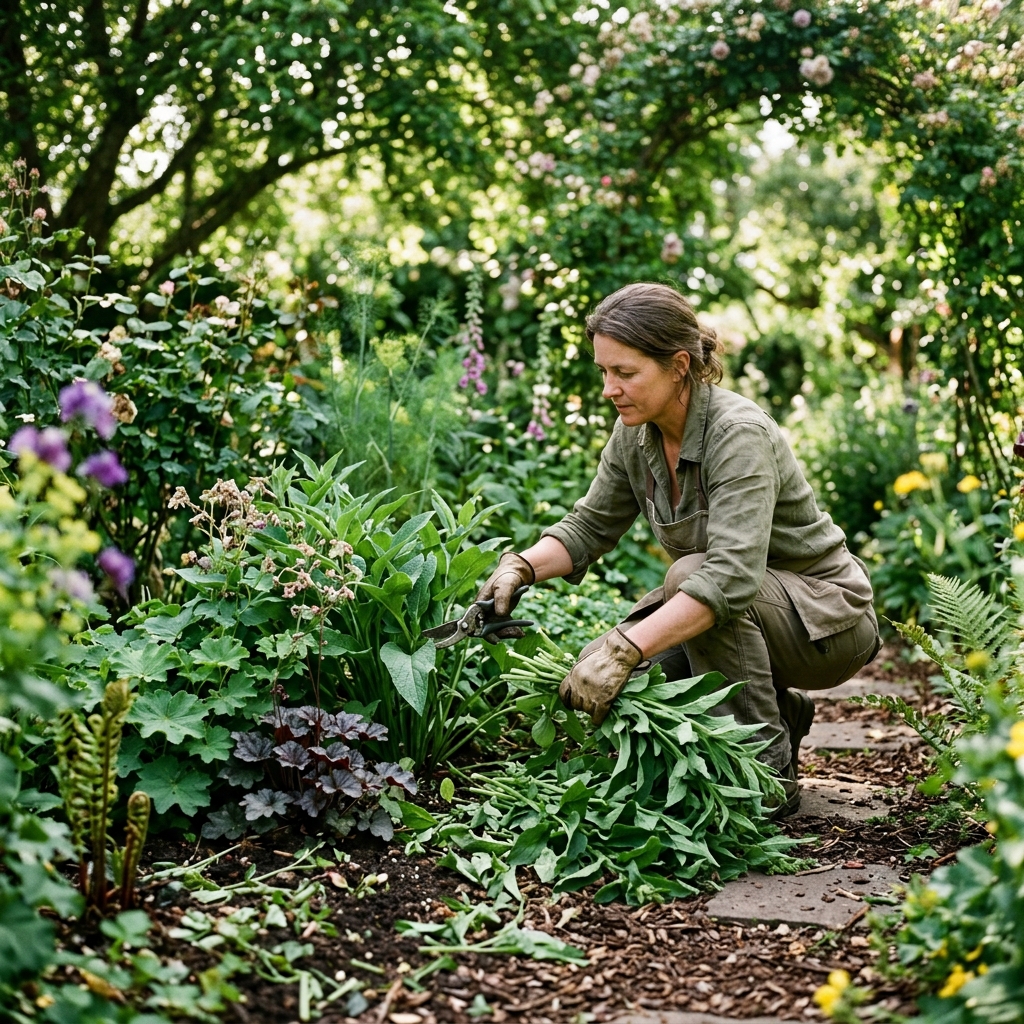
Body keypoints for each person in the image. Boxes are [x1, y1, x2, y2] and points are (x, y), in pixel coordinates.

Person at [476, 282, 880, 816]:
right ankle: (781, 711)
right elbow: (589, 526)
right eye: (604, 372)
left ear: (679, 365)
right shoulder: (634, 436)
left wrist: (627, 648)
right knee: (596, 667)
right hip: (753, 608)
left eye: (625, 373)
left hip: (829, 623)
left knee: (684, 585)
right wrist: (520, 568)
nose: (609, 389)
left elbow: (730, 578)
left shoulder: (737, 434)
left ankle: (765, 776)